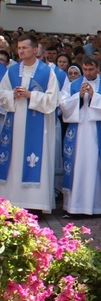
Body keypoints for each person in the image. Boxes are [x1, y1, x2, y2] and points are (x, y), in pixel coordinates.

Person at [0, 34, 60, 212]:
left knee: (34, 161)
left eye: (24, 48)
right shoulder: (11, 71)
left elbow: (54, 99)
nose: (20, 51)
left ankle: (34, 205)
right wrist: (12, 95)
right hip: (14, 127)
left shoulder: (47, 72)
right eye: (19, 48)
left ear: (35, 50)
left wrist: (31, 95)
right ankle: (11, 204)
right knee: (13, 162)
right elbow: (1, 94)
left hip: (37, 128)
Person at [60, 55, 101, 215]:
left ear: (99, 69)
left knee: (98, 166)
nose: (87, 72)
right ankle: (75, 206)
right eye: (85, 69)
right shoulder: (74, 85)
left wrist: (94, 96)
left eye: (91, 69)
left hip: (99, 134)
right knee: (77, 165)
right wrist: (78, 96)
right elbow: (63, 106)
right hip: (78, 135)